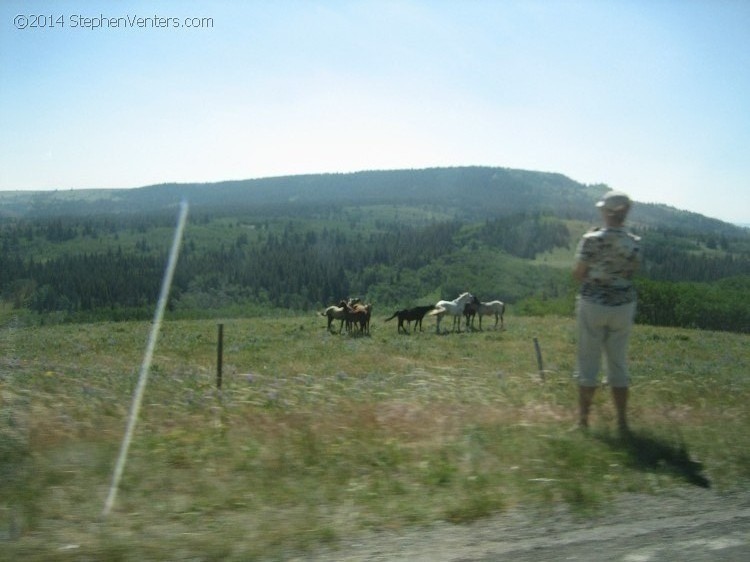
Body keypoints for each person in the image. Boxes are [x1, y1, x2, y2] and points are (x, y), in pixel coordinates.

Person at [573, 190, 641, 433]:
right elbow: (632, 272)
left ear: (607, 212)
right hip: (623, 305)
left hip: (593, 302)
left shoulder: (591, 240)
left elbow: (579, 273)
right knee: (618, 363)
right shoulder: (634, 242)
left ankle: (583, 421)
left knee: (588, 362)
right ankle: (622, 422)